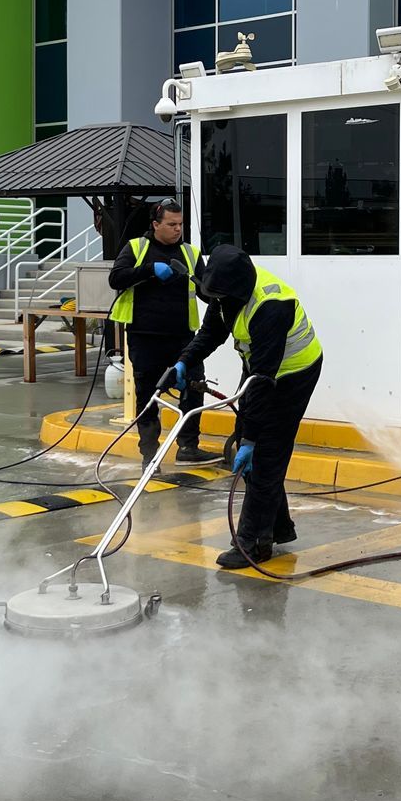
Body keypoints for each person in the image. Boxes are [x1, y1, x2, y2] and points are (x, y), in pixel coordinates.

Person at [163, 244, 323, 569]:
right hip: (261, 369)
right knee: (249, 442)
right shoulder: (227, 293)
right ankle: (278, 527)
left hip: (293, 373)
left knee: (265, 454)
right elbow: (209, 334)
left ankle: (253, 543)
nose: (214, 300)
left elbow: (264, 383)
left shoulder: (271, 306)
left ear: (235, 288)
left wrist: (250, 440)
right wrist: (182, 363)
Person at [107, 201, 220, 466]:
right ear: (156, 225)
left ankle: (188, 447)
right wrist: (149, 270)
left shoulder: (191, 253)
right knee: (148, 396)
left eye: (180, 224)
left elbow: (205, 291)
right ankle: (150, 455)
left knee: (194, 388)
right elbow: (116, 278)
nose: (177, 229)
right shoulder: (136, 248)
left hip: (183, 338)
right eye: (171, 224)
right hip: (145, 337)